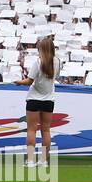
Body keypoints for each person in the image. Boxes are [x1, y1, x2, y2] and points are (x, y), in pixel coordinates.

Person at [16, 36, 56, 168]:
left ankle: (30, 160)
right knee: (46, 130)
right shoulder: (57, 62)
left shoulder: (38, 62)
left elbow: (29, 81)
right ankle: (44, 160)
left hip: (34, 99)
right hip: (48, 100)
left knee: (31, 130)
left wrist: (17, 82)